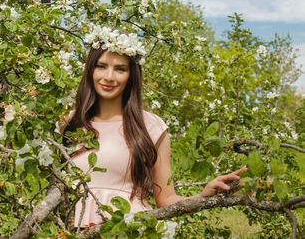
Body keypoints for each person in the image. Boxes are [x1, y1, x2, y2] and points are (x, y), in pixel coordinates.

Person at [61, 28, 247, 228]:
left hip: (130, 230)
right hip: (71, 228)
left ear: (131, 75)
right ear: (90, 69)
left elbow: (166, 201)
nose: (109, 77)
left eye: (120, 69)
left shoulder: (150, 126)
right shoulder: (67, 122)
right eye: (101, 66)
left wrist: (202, 196)